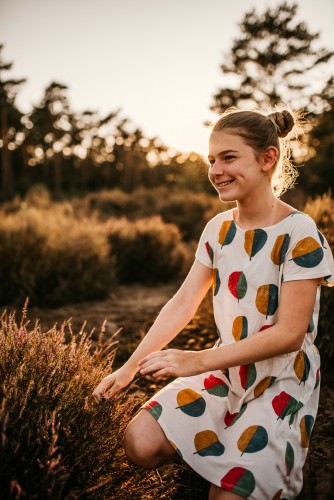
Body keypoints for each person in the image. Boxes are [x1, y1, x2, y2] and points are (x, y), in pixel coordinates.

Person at [93, 107, 334, 499]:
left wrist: (195, 360)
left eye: (228, 157)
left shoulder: (300, 232)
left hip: (281, 381)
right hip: (227, 371)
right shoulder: (218, 229)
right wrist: (129, 368)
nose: (216, 170)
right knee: (139, 442)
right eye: (211, 160)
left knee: (226, 496)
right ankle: (225, 452)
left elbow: (290, 335)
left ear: (268, 159)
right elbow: (183, 303)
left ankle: (260, 456)